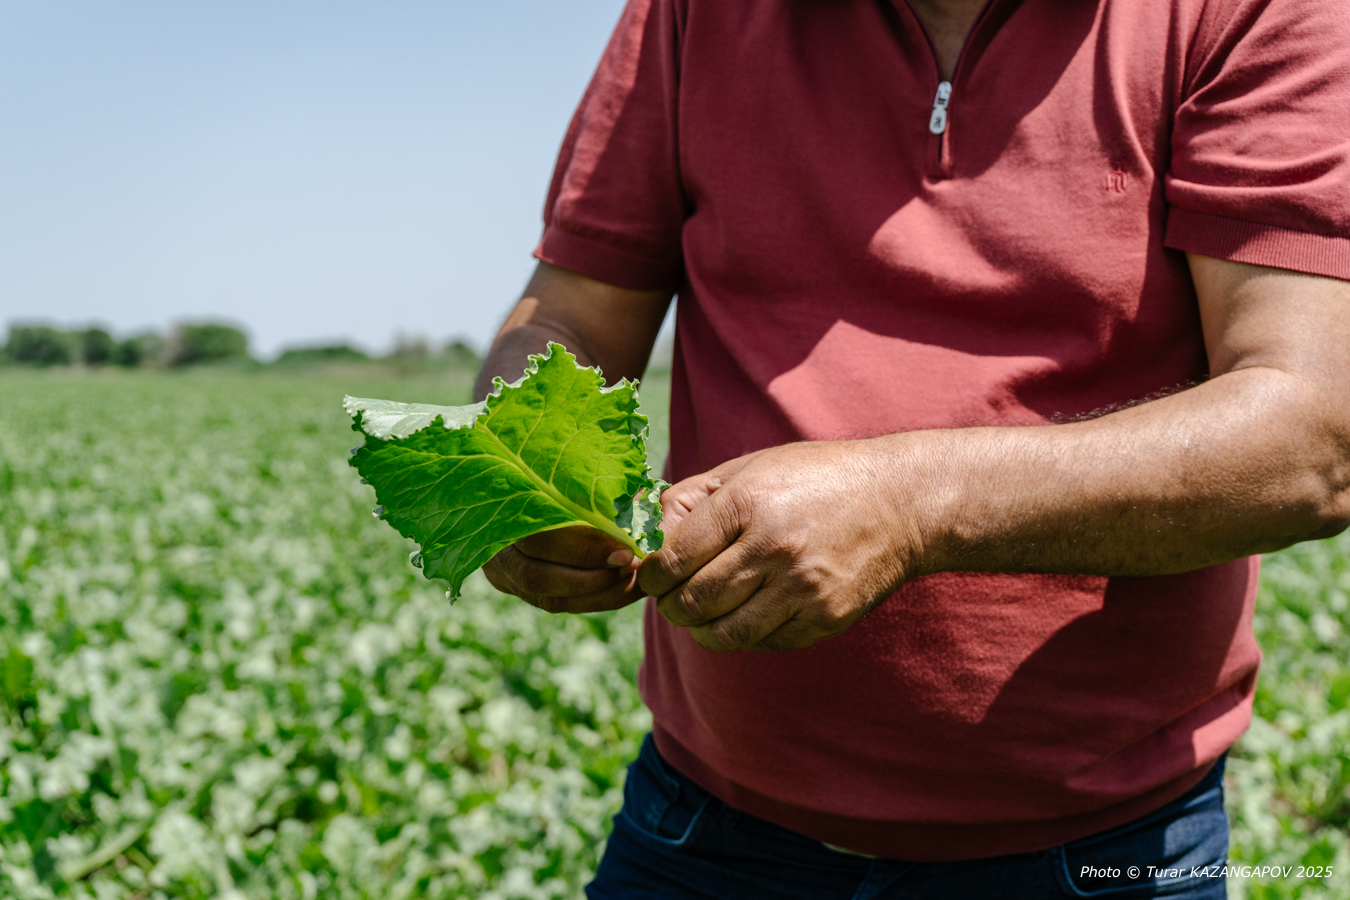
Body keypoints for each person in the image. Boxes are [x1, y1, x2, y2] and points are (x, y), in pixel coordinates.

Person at [473, 0, 1350, 895]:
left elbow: (1312, 432)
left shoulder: (1249, 13)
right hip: (704, 829)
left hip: (1103, 851)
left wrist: (912, 507)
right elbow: (573, 310)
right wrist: (522, 457)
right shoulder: (691, 15)